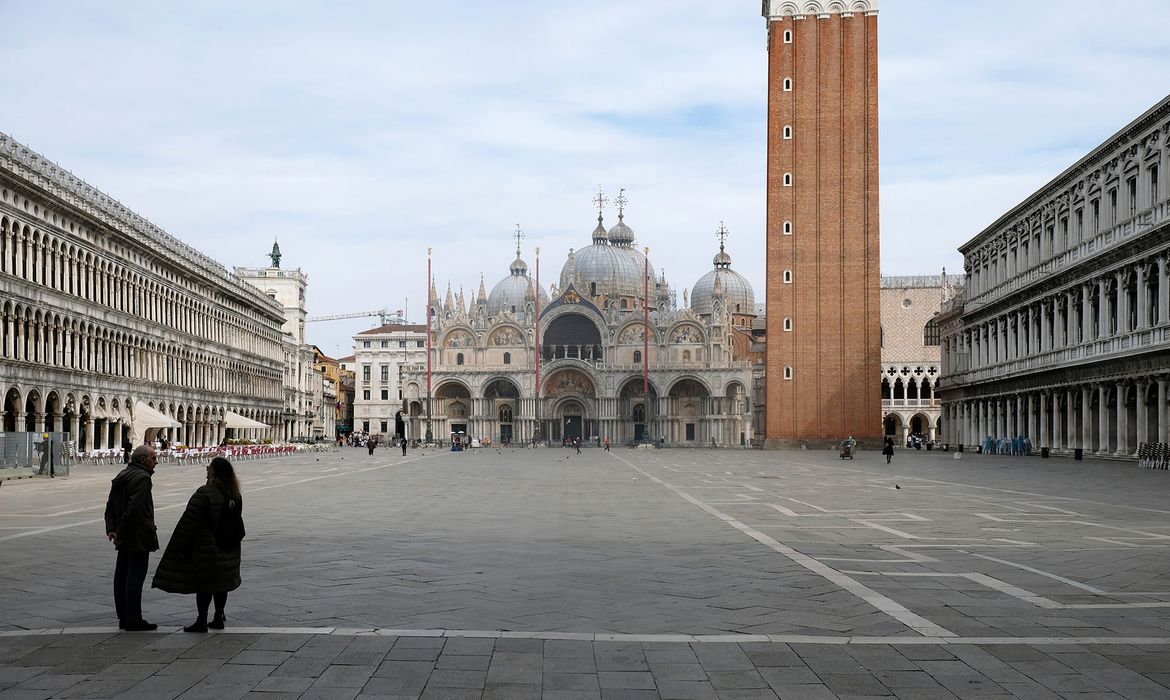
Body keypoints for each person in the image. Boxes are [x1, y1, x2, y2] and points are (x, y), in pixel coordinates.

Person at [152, 457, 243, 633]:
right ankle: (218, 617)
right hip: (229, 545)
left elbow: (189, 522)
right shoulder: (235, 494)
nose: (206, 471)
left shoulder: (205, 492)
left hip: (207, 547)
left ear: (213, 472)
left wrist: (180, 547)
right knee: (221, 583)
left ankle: (201, 620)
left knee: (205, 584)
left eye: (209, 468)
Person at [103, 445, 160, 631]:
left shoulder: (122, 474)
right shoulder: (142, 478)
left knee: (121, 576)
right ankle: (134, 618)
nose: (156, 462)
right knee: (135, 577)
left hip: (125, 534)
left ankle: (124, 616)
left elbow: (110, 505)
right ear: (143, 460)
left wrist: (112, 528)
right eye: (153, 458)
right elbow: (134, 509)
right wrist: (121, 533)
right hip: (138, 536)